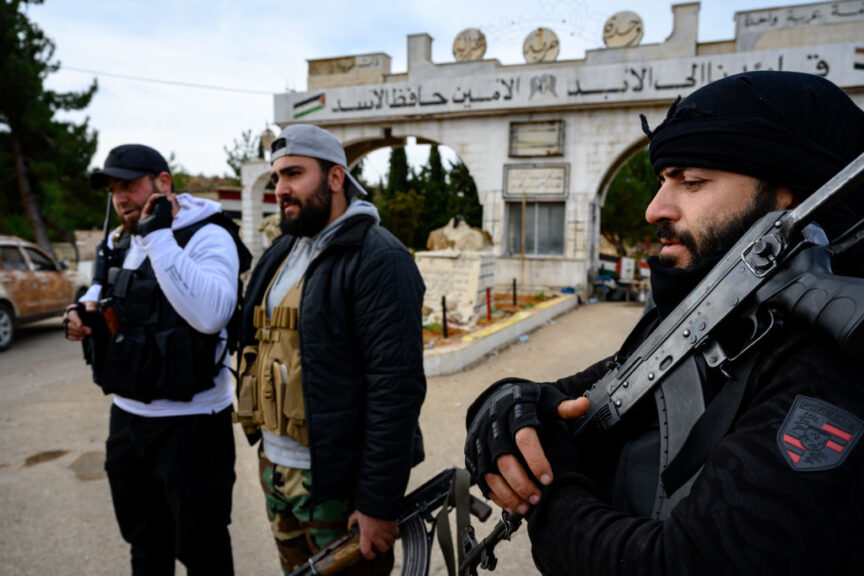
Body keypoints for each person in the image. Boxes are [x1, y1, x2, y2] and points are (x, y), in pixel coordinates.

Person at [464, 71, 864, 575]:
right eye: (662, 181)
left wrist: (550, 489)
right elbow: (595, 394)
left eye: (692, 182)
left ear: (789, 197)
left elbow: (683, 563)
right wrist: (504, 405)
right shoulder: (724, 313)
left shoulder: (833, 362)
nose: (655, 208)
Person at [234, 124, 426, 575]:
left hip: (336, 484)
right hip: (277, 471)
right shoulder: (281, 251)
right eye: (278, 176)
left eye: (295, 174)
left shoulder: (379, 258)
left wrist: (378, 503)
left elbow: (395, 390)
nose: (281, 189)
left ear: (336, 178)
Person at [64, 144, 250, 576]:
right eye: (113, 190)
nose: (120, 200)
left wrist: (159, 235)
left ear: (162, 183)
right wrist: (79, 312)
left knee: (202, 550)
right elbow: (105, 291)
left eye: (128, 186)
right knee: (145, 545)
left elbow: (211, 315)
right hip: (127, 422)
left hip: (192, 425)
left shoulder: (207, 234)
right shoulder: (121, 240)